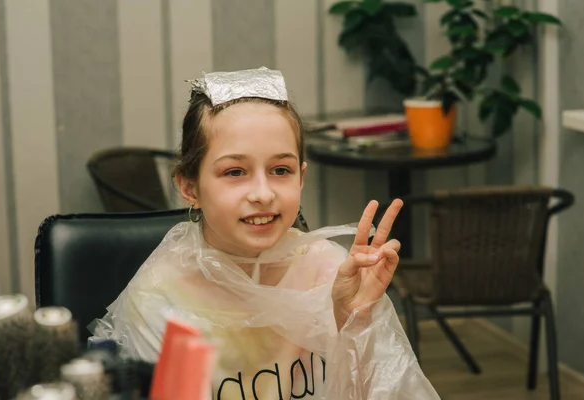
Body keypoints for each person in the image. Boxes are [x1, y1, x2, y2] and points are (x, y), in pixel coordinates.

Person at [90, 67, 439, 399]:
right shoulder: (161, 298)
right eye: (235, 172)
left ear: (301, 178)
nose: (263, 193)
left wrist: (355, 321)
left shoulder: (330, 273)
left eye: (280, 170)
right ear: (189, 186)